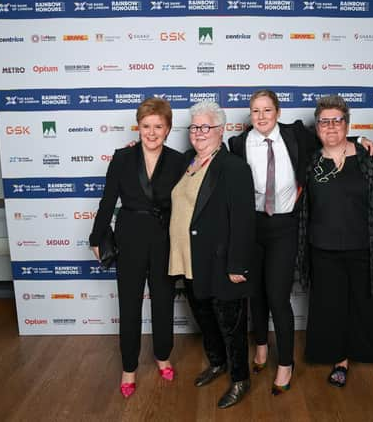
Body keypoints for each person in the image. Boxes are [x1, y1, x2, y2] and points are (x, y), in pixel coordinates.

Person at [227, 89, 373, 394]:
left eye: (267, 110)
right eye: (255, 111)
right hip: (252, 228)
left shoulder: (297, 135)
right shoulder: (238, 144)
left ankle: (285, 363)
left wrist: (361, 140)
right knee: (254, 294)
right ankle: (260, 346)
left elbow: (333, 136)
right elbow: (211, 162)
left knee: (277, 296)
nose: (261, 117)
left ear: (278, 112)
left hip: (285, 227)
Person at [304, 95, 373, 395]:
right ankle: (340, 362)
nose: (330, 127)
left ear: (347, 124)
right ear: (317, 127)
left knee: (372, 308)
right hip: (323, 251)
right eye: (324, 122)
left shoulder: (369, 158)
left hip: (365, 249)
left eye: (337, 121)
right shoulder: (311, 161)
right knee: (333, 309)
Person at [89, 97, 185, 398]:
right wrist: (96, 236)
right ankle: (128, 367)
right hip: (129, 238)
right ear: (138, 126)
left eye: (159, 126)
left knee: (162, 301)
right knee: (129, 306)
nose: (152, 132)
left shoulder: (179, 160)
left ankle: (162, 355)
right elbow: (107, 201)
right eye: (146, 126)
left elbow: (186, 206)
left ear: (168, 128)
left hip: (164, 239)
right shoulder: (121, 158)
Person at [168, 101, 256, 409]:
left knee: (231, 327)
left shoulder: (233, 168)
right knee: (205, 320)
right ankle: (218, 364)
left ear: (220, 130)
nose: (198, 133)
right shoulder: (187, 163)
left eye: (206, 127)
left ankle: (240, 378)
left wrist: (237, 265)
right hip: (190, 260)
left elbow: (244, 220)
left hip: (221, 263)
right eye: (194, 127)